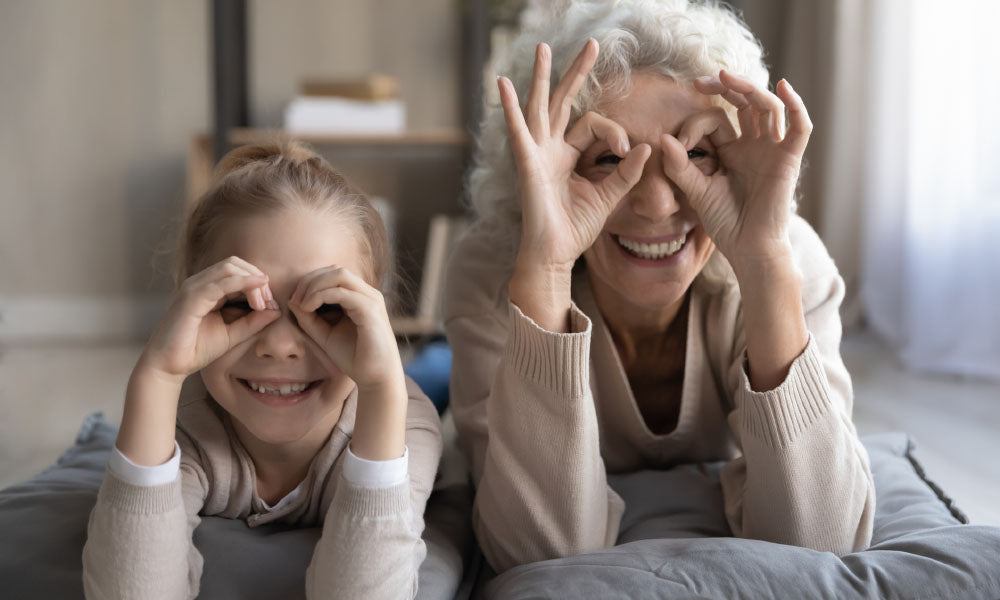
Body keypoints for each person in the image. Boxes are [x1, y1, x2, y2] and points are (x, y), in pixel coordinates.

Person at [443, 0, 875, 573]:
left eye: (695, 153)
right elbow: (538, 554)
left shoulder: (787, 259)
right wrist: (545, 274)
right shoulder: (495, 271)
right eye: (606, 159)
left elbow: (823, 538)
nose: (657, 205)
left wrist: (764, 264)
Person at [82, 141, 442, 599]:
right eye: (238, 303)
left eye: (327, 308)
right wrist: (157, 377)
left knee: (436, 372)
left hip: (385, 389)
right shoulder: (188, 423)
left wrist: (384, 387)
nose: (279, 345)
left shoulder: (402, 421)